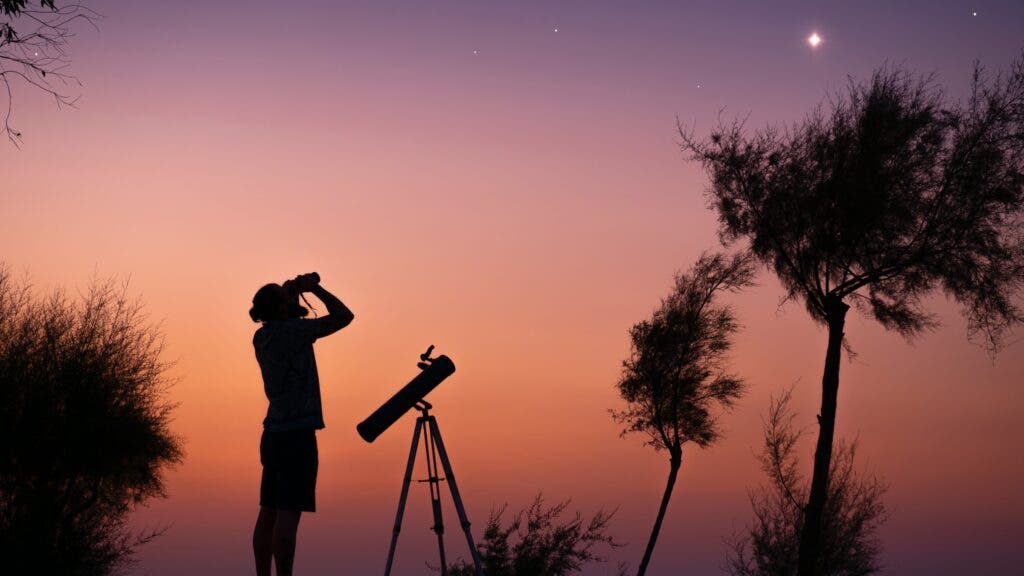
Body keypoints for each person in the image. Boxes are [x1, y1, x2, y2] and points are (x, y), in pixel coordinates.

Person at [248, 273, 354, 576]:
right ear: (281, 308)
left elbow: (287, 321)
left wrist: (290, 296)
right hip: (298, 436)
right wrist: (315, 288)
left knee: (268, 511)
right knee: (288, 516)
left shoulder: (261, 337)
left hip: (273, 434)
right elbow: (344, 317)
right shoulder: (296, 331)